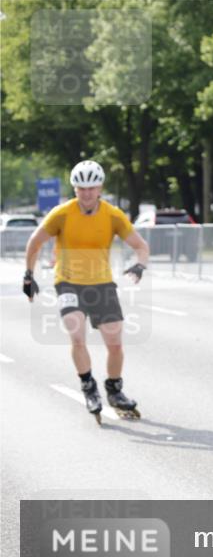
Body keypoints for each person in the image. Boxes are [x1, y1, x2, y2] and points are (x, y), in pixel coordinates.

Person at [23, 160, 150, 424]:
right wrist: (29, 274)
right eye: (81, 189)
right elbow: (34, 243)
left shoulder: (113, 215)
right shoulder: (61, 213)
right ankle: (88, 386)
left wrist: (140, 264)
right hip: (68, 282)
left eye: (92, 188)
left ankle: (114, 390)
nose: (87, 193)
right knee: (77, 336)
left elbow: (141, 245)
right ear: (75, 189)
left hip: (102, 283)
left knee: (115, 344)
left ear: (100, 187)